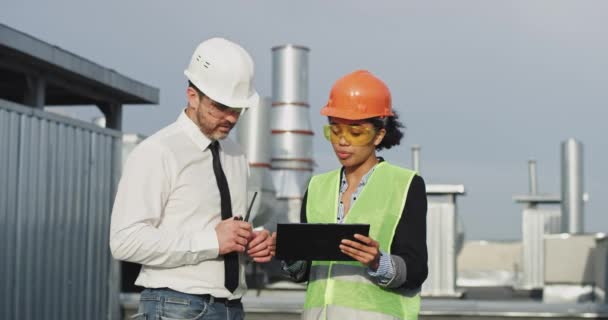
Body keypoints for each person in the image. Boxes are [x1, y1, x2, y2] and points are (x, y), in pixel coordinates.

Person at [110, 38, 275, 320]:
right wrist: (211, 241)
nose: (231, 118)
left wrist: (253, 242)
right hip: (174, 306)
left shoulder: (236, 155)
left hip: (231, 307)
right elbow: (124, 241)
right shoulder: (157, 152)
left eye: (238, 110)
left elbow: (222, 229)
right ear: (192, 95)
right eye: (220, 107)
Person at [284, 70, 428, 320]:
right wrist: (288, 252)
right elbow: (304, 274)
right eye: (335, 131)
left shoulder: (405, 185)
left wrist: (377, 262)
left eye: (355, 132)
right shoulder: (317, 186)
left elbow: (416, 270)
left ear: (379, 134)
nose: (342, 141)